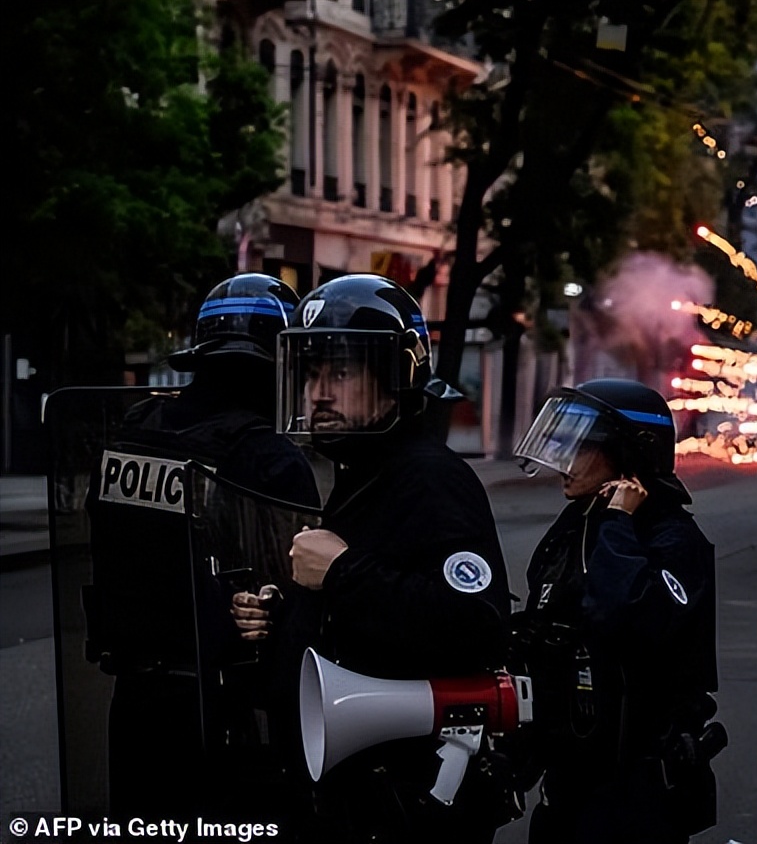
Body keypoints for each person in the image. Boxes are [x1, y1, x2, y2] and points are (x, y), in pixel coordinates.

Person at [261, 273, 514, 844]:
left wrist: (342, 572)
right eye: (312, 374)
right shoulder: (364, 473)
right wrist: (282, 615)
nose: (318, 392)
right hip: (358, 792)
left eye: (342, 373)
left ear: (396, 378)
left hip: (404, 800)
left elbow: (476, 623)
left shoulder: (429, 479)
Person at [83, 273, 320, 819]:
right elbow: (297, 602)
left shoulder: (135, 431)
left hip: (136, 708)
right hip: (228, 715)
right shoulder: (270, 458)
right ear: (281, 361)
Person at [510, 378, 725, 844]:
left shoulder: (670, 538)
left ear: (632, 454)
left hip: (634, 790)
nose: (565, 462)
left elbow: (624, 614)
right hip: (568, 775)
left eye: (582, 447)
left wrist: (618, 521)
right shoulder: (575, 526)